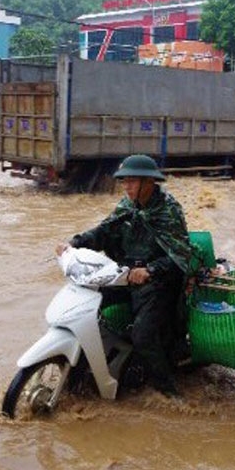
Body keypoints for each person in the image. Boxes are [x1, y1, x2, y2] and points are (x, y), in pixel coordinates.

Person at [55, 155, 192, 396]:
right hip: (123, 275)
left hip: (157, 281)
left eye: (131, 181)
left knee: (142, 334)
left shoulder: (169, 210)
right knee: (83, 309)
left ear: (148, 182)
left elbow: (180, 256)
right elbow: (104, 230)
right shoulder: (127, 205)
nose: (126, 187)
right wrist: (74, 243)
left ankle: (168, 390)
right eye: (124, 181)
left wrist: (150, 270)